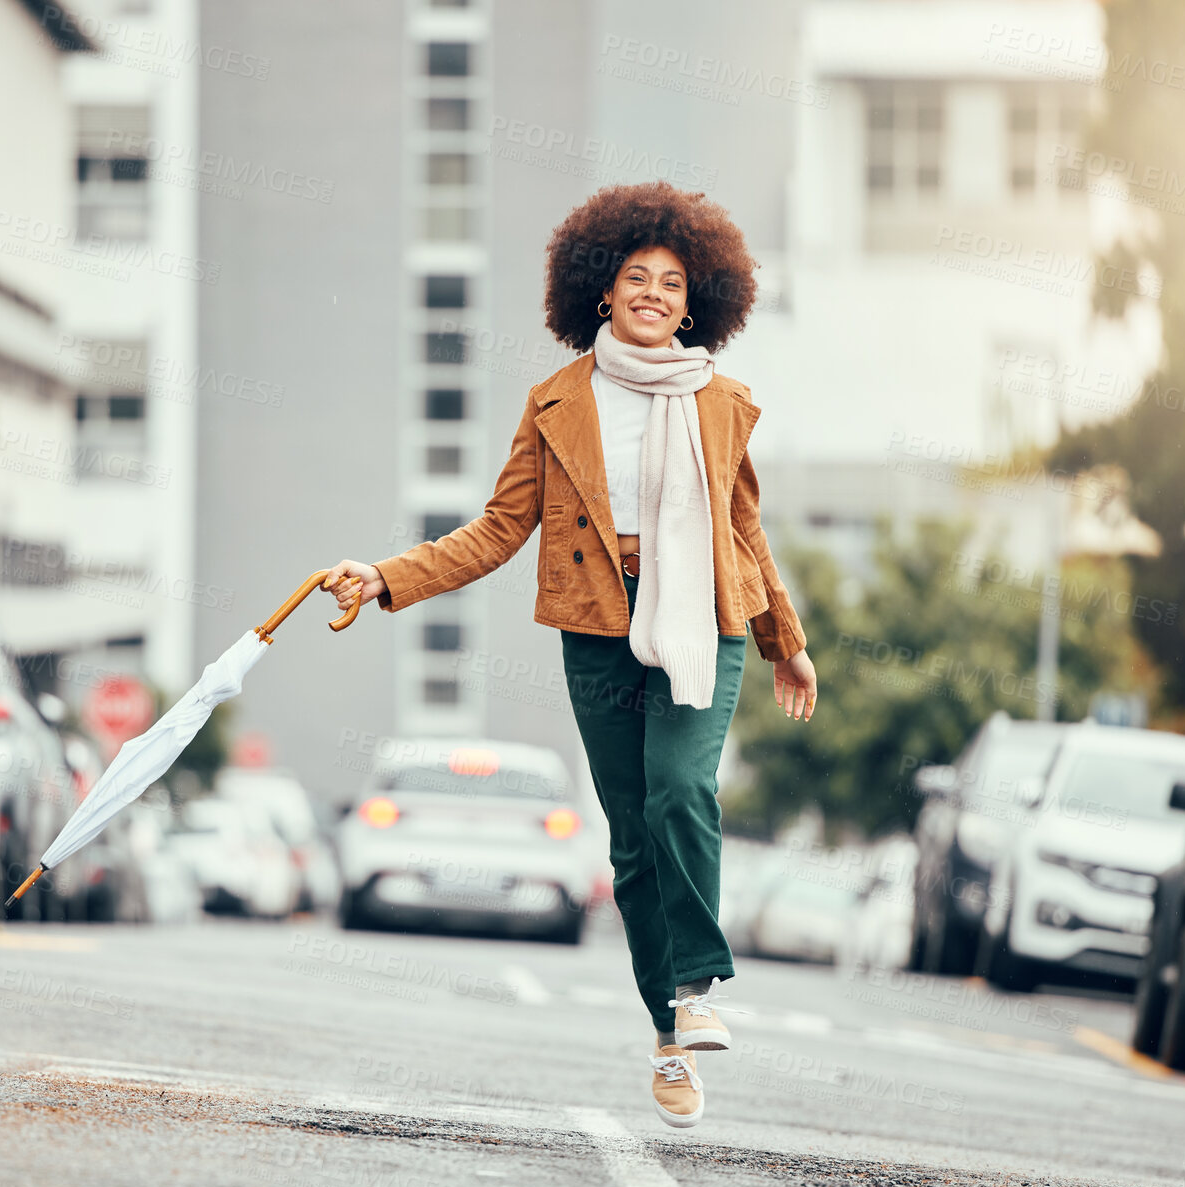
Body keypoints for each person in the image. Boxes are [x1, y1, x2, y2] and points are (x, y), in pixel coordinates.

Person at [324, 180, 816, 1129]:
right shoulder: (556, 401)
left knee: (682, 790)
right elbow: (498, 530)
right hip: (598, 624)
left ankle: (700, 982)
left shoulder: (720, 401)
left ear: (695, 301)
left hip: (700, 617)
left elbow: (741, 533)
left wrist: (783, 643)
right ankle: (670, 1035)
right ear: (601, 288)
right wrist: (385, 577)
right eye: (638, 276)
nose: (655, 294)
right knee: (630, 845)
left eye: (673, 283)